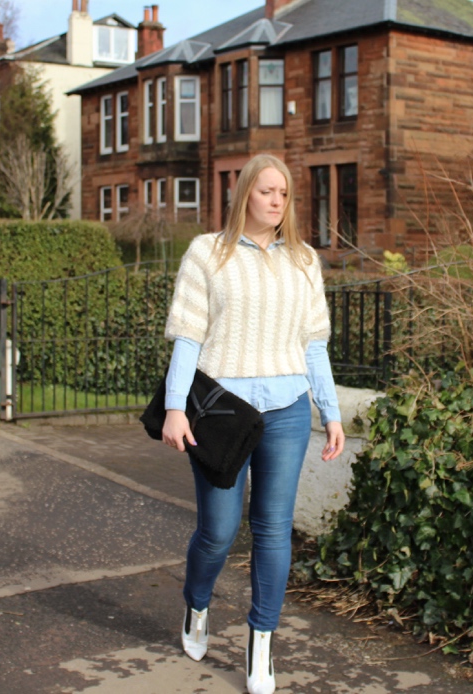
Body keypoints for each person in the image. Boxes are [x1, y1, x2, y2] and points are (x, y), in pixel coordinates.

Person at [161, 153, 345, 694]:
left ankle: (261, 639)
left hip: (287, 408)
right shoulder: (207, 253)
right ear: (245, 193)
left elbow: (315, 346)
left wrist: (330, 412)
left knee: (272, 529)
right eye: (267, 191)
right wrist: (175, 406)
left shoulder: (304, 260)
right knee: (218, 531)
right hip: (221, 409)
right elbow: (189, 335)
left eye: (284, 194)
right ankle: (197, 606)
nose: (276, 202)